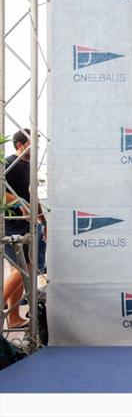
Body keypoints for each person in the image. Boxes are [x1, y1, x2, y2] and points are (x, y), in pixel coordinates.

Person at [3, 129, 46, 329]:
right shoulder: (10, 163)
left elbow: (33, 197)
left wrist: (43, 220)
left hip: (27, 224)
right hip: (13, 224)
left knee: (20, 272)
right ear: (20, 144)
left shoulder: (29, 167)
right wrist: (16, 200)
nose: (35, 146)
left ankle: (13, 319)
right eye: (31, 142)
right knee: (23, 271)